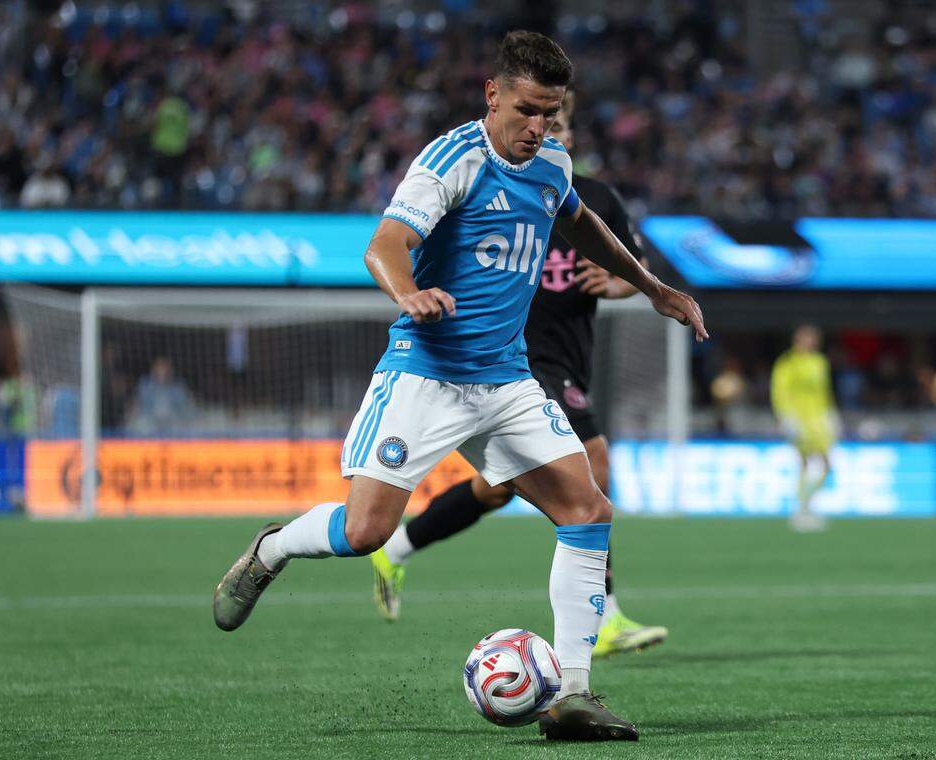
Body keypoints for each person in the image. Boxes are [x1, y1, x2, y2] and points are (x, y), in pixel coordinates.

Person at [212, 31, 706, 742]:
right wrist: (408, 293)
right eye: (527, 110)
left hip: (506, 380)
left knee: (587, 508)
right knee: (365, 531)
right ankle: (272, 549)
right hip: (426, 374)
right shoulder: (453, 159)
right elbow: (384, 244)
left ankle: (572, 695)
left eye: (551, 113)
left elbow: (580, 221)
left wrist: (652, 285)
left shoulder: (553, 164)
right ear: (493, 95)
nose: (538, 127)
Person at [369, 90, 667, 659]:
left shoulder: (592, 198)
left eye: (558, 127)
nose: (549, 136)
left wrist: (617, 284)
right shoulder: (502, 185)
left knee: (496, 489)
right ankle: (603, 617)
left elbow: (634, 266)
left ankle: (398, 547)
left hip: (571, 353)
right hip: (521, 357)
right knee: (595, 462)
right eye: (540, 124)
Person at [771, 325, 839, 532]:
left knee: (826, 465)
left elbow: (825, 391)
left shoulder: (820, 362)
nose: (810, 342)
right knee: (803, 464)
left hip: (819, 422)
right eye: (805, 338)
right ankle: (802, 511)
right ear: (797, 340)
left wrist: (832, 414)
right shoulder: (788, 363)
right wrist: (785, 418)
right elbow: (779, 391)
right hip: (799, 421)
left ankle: (806, 504)